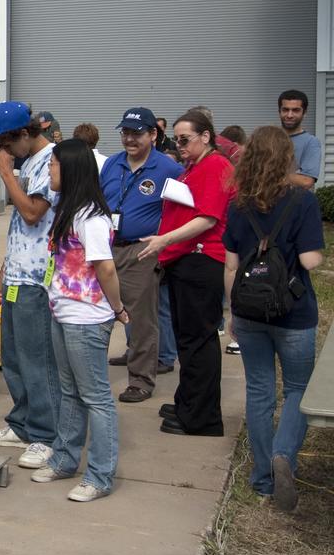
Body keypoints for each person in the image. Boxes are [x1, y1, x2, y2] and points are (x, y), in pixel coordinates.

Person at [223, 126, 324, 511]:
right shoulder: (302, 201)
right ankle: (284, 454)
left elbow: (231, 266)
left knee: (260, 391)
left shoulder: (238, 205)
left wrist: (232, 312)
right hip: (294, 312)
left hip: (249, 311)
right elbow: (310, 259)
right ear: (287, 158)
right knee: (298, 388)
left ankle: (263, 478)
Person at [31, 139, 126, 503]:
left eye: (53, 165)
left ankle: (100, 476)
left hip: (87, 319)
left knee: (96, 397)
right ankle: (65, 458)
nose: (49, 171)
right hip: (64, 312)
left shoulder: (91, 217)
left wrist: (118, 309)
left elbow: (106, 268)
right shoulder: (66, 210)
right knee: (70, 391)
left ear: (69, 169)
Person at [138, 110, 235, 437]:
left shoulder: (216, 166)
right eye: (175, 139)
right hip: (185, 261)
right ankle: (189, 402)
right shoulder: (196, 167)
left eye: (184, 139)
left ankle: (203, 417)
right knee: (187, 339)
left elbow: (208, 218)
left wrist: (164, 239)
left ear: (206, 136)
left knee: (199, 340)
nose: (178, 145)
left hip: (202, 261)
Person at [0, 101, 59, 470]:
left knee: (35, 358)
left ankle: (46, 434)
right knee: (11, 355)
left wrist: (6, 175)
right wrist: (4, 269)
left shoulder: (52, 163)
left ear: (25, 134)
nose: (3, 152)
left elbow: (31, 212)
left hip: (37, 279)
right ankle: (23, 421)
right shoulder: (28, 162)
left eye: (6, 144)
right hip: (17, 274)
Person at [101, 107, 185, 402]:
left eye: (136, 133)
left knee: (141, 318)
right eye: (125, 133)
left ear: (153, 135)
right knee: (101, 312)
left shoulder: (169, 169)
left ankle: (141, 381)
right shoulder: (112, 164)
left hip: (141, 249)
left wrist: (165, 243)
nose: (130, 139)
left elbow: (183, 211)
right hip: (107, 247)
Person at [278, 89, 321, 189]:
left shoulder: (311, 142)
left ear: (304, 112)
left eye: (295, 110)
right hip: (264, 201)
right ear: (279, 111)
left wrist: (269, 174)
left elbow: (306, 181)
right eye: (285, 110)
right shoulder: (268, 138)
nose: (289, 115)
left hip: (295, 202)